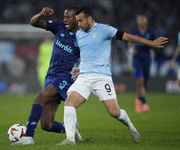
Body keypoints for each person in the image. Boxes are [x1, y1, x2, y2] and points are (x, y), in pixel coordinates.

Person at [58, 6, 168, 145]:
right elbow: (85, 55)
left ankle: (130, 126)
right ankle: (70, 139)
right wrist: (78, 68)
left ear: (89, 18)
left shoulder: (105, 30)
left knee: (114, 112)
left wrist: (150, 42)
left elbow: (127, 37)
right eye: (77, 21)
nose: (78, 24)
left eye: (80, 21)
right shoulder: (79, 35)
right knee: (69, 102)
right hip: (84, 77)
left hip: (101, 77)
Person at [12, 6, 82, 145]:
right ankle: (72, 128)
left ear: (77, 19)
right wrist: (41, 14)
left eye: (68, 17)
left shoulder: (83, 37)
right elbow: (34, 23)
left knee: (40, 97)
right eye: (64, 16)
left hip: (65, 77)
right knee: (46, 125)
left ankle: (28, 137)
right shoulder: (59, 27)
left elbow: (89, 57)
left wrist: (80, 68)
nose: (65, 19)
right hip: (51, 75)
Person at [129, 14, 157, 113]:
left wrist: (152, 45)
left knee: (145, 83)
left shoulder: (151, 33)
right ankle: (144, 103)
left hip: (147, 59)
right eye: (139, 20)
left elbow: (155, 43)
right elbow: (129, 43)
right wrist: (132, 50)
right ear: (137, 22)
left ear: (146, 21)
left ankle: (139, 99)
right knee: (140, 81)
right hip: (137, 60)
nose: (141, 21)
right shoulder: (134, 32)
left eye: (142, 20)